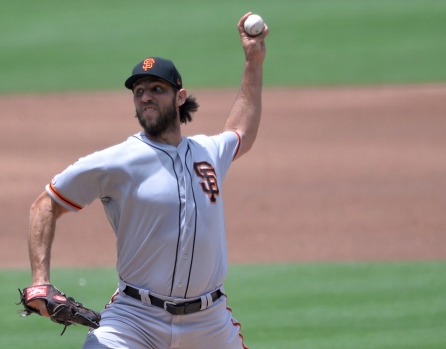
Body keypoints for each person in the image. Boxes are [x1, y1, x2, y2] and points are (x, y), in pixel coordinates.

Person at [25, 12, 269, 349]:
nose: (146, 97)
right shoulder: (118, 160)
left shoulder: (207, 152)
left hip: (209, 322)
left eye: (157, 88)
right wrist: (41, 281)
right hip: (135, 318)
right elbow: (46, 204)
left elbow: (241, 130)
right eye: (139, 91)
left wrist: (253, 60)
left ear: (180, 97)